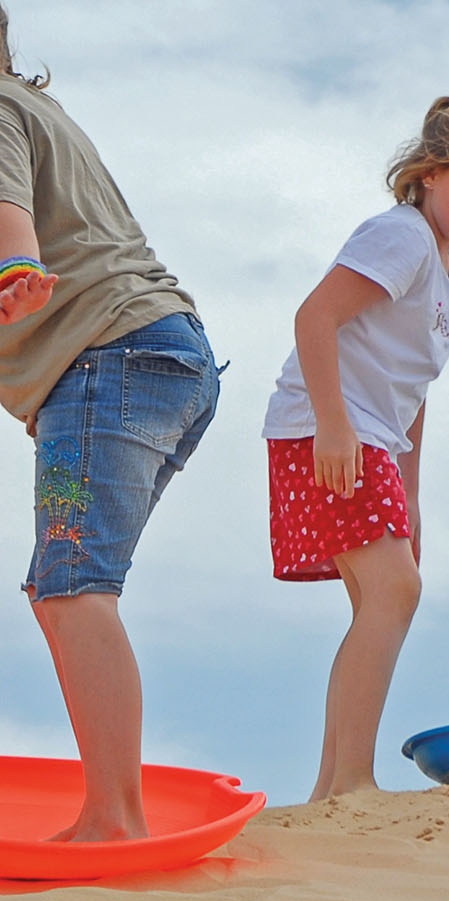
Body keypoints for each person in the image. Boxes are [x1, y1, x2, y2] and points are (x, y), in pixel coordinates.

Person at [0, 9, 219, 842]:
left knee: (72, 584)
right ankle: (111, 806)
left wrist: (15, 264)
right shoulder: (33, 107)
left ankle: (114, 818)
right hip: (162, 355)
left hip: (111, 359)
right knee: (58, 584)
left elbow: (10, 219)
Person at [264, 97, 449, 801]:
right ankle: (350, 781)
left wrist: (409, 493)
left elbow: (416, 387)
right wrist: (334, 425)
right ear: (430, 172)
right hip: (327, 428)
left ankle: (330, 791)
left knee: (380, 597)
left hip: (375, 437)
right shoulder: (401, 237)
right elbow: (315, 316)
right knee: (394, 590)